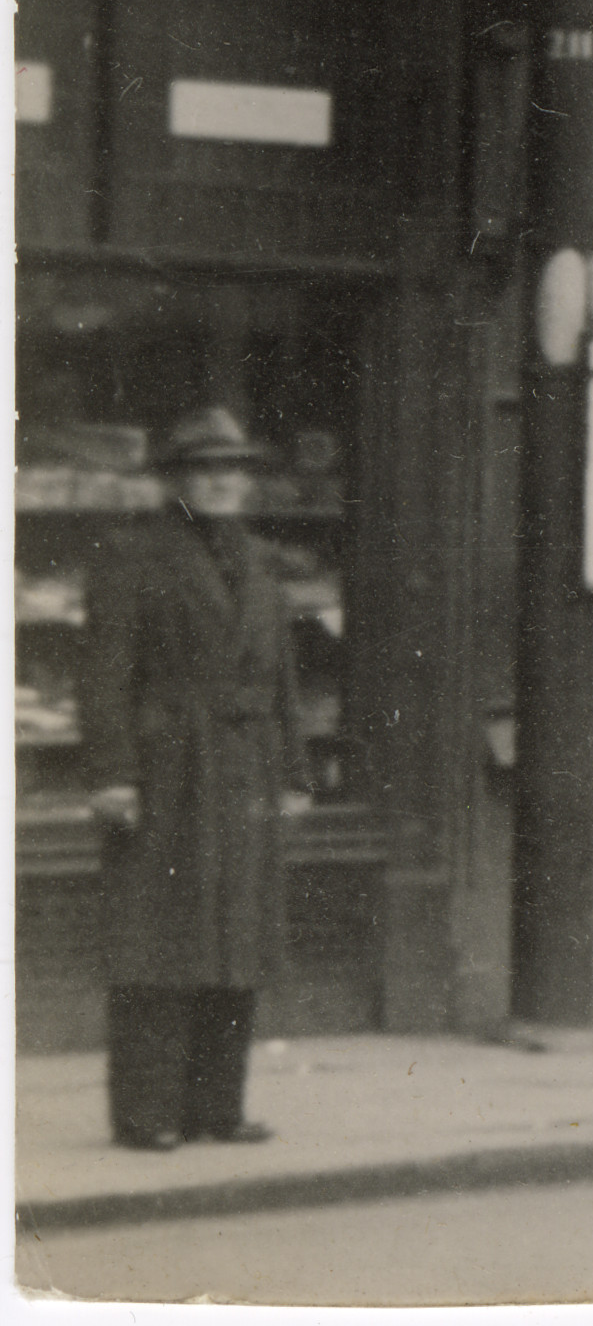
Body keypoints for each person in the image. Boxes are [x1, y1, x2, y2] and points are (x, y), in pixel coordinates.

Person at [85, 408, 306, 1151]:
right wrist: (114, 776)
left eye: (234, 468)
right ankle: (147, 1114)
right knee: (158, 938)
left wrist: (295, 772)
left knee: (237, 937)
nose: (222, 480)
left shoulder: (263, 561)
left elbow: (283, 682)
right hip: (167, 768)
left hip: (246, 769)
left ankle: (219, 1108)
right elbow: (105, 678)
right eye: (205, 468)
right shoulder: (131, 556)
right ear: (176, 481)